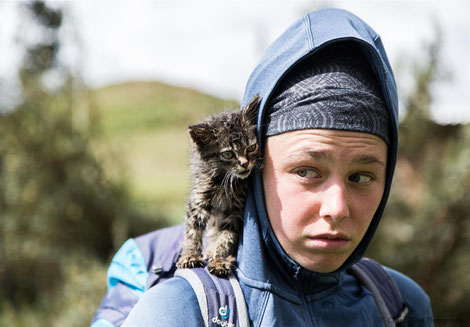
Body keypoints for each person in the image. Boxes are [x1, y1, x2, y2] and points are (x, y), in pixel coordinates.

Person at [93, 8, 434, 327]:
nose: (337, 209)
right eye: (306, 171)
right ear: (258, 170)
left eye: (361, 177)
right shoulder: (178, 312)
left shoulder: (399, 306)